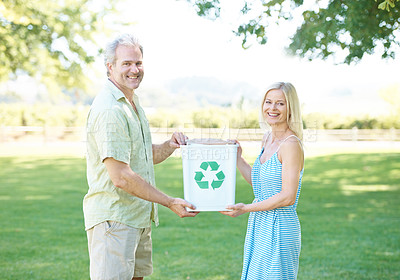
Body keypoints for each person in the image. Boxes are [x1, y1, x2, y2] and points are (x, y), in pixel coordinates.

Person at [83, 33, 198, 280]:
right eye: (127, 63)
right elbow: (121, 177)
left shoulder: (131, 104)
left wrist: (169, 145)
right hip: (114, 221)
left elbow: (141, 158)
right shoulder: (110, 109)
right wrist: (169, 201)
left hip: (136, 218)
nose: (134, 69)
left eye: (138, 63)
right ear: (110, 67)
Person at [221, 82, 304, 280]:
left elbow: (288, 196)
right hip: (260, 223)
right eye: (268, 102)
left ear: (290, 108)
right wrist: (238, 159)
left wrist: (246, 208)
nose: (272, 108)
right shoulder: (267, 138)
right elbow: (260, 183)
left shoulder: (291, 145)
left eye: (280, 104)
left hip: (280, 225)